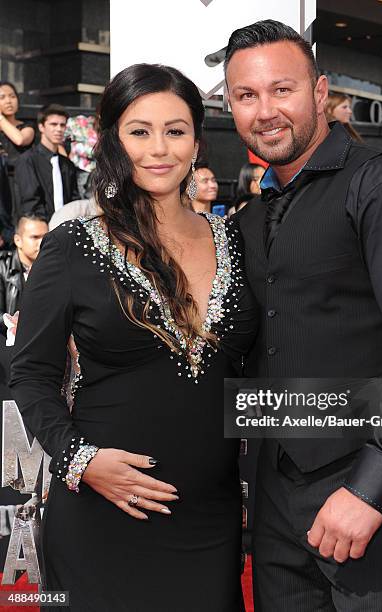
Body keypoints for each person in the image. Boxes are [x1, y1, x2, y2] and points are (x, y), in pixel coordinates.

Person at [225, 19, 382, 611]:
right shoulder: (254, 217)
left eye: (282, 89)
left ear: (320, 92)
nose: (265, 110)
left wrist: (370, 488)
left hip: (377, 497)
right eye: (246, 95)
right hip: (280, 501)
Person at [9, 63, 256, 611]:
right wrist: (80, 460)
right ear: (114, 139)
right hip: (99, 515)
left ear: (197, 140)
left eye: (176, 129)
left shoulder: (239, 240)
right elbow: (31, 373)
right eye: (139, 130)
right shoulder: (72, 244)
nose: (159, 148)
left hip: (210, 517)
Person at [14, 104, 79, 222]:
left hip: (66, 231)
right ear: (41, 127)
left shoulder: (67, 165)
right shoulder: (27, 160)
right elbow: (30, 202)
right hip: (39, 230)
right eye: (53, 124)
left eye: (62, 125)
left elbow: (73, 201)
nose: (59, 129)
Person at [0, 214, 48, 335]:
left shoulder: (55, 267)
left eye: (46, 237)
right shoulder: (2, 266)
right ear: (18, 240)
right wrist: (13, 324)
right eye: (35, 237)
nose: (42, 242)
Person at [0, 81, 35, 240]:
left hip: (20, 184)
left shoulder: (27, 126)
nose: (8, 101)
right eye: (2, 97)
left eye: (12, 96)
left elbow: (20, 140)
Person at [64, 113, 98, 198]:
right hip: (80, 170)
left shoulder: (112, 127)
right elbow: (59, 139)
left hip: (102, 172)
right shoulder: (78, 122)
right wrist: (65, 158)